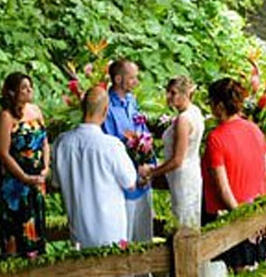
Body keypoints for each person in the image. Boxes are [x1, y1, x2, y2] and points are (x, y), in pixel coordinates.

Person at [201, 77, 266, 271]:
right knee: (263, 269)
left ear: (219, 105)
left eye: (210, 102)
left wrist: (242, 220)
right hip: (259, 210)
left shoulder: (216, 138)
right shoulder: (254, 129)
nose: (210, 107)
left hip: (233, 214)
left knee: (238, 269)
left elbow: (222, 187)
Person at [54, 86, 144, 247]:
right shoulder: (111, 146)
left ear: (82, 108)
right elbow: (130, 182)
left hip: (78, 229)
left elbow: (56, 181)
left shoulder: (62, 143)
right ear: (106, 111)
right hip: (110, 230)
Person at [0, 72, 50, 257]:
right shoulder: (6, 117)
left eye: (30, 87)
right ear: (11, 92)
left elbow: (44, 141)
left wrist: (46, 167)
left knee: (37, 224)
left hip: (37, 178)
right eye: (24, 88)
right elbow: (3, 152)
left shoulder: (35, 110)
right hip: (16, 182)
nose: (29, 91)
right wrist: (24, 177)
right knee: (18, 229)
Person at [102, 59, 154, 243]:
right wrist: (134, 169)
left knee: (144, 236)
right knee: (125, 237)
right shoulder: (106, 107)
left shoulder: (132, 101)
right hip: (124, 185)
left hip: (144, 180)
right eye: (132, 78)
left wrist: (148, 164)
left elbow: (142, 131)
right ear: (117, 79)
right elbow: (112, 146)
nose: (136, 82)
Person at [145, 76, 204, 229]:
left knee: (183, 221)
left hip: (182, 175)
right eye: (168, 92)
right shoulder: (195, 112)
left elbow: (178, 160)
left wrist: (153, 172)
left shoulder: (183, 120)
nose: (168, 97)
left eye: (173, 93)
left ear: (186, 94)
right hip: (192, 171)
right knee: (189, 218)